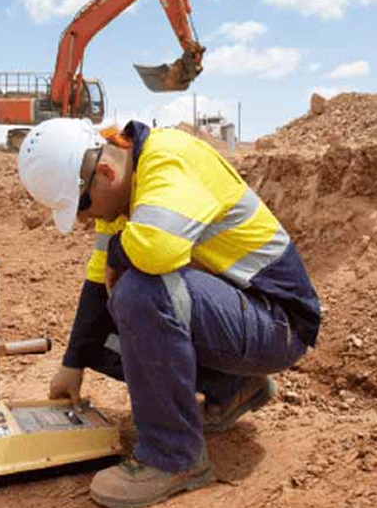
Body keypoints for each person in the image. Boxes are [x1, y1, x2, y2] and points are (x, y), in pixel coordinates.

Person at [17, 118, 322, 508]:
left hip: (279, 322)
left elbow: (157, 250)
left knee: (140, 291)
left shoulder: (166, 159)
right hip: (241, 317)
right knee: (107, 329)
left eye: (80, 208)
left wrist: (116, 255)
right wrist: (74, 362)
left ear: (106, 173)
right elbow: (97, 284)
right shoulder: (125, 192)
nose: (83, 221)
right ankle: (232, 388)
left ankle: (172, 456)